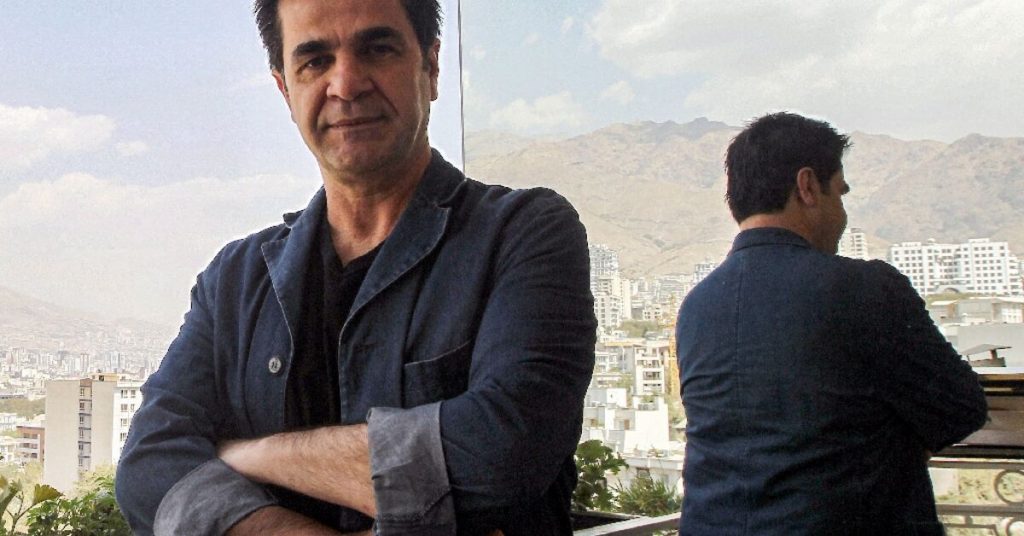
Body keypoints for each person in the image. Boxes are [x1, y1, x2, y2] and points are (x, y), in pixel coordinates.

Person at [115, 1, 596, 534]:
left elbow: (504, 452)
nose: (346, 84)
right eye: (315, 61)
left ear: (431, 67)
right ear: (285, 91)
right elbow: (147, 468)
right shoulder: (234, 280)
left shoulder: (522, 234)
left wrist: (249, 454)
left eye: (377, 49)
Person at [675, 112, 987, 535]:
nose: (841, 213)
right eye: (839, 192)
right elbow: (961, 409)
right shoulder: (863, 289)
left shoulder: (696, 307)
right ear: (807, 186)